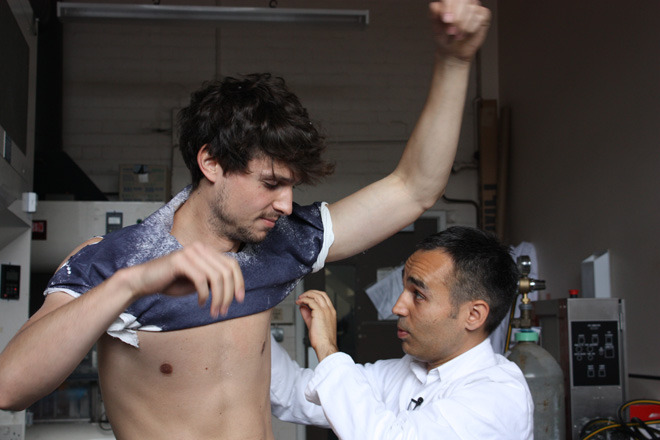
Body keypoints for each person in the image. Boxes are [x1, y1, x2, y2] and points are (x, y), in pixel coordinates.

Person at [0, 1, 491, 439]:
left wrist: (454, 62)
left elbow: (413, 189)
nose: (286, 204)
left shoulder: (281, 244)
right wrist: (133, 284)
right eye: (271, 183)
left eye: (291, 187)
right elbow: (9, 388)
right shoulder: (114, 263)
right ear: (211, 162)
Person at [271, 226, 534, 439]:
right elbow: (293, 393)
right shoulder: (406, 372)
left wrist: (329, 350)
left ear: (473, 315)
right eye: (404, 289)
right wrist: (252, 314)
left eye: (418, 294)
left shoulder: (498, 396)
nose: (397, 307)